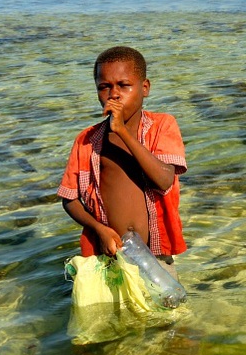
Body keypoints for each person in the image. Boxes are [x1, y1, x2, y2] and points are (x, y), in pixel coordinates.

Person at [57, 46, 187, 278]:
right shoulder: (87, 140)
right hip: (107, 255)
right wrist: (100, 230)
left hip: (155, 257)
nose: (114, 94)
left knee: (165, 310)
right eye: (104, 87)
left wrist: (123, 132)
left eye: (124, 85)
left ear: (144, 88)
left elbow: (164, 179)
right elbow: (69, 199)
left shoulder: (163, 126)